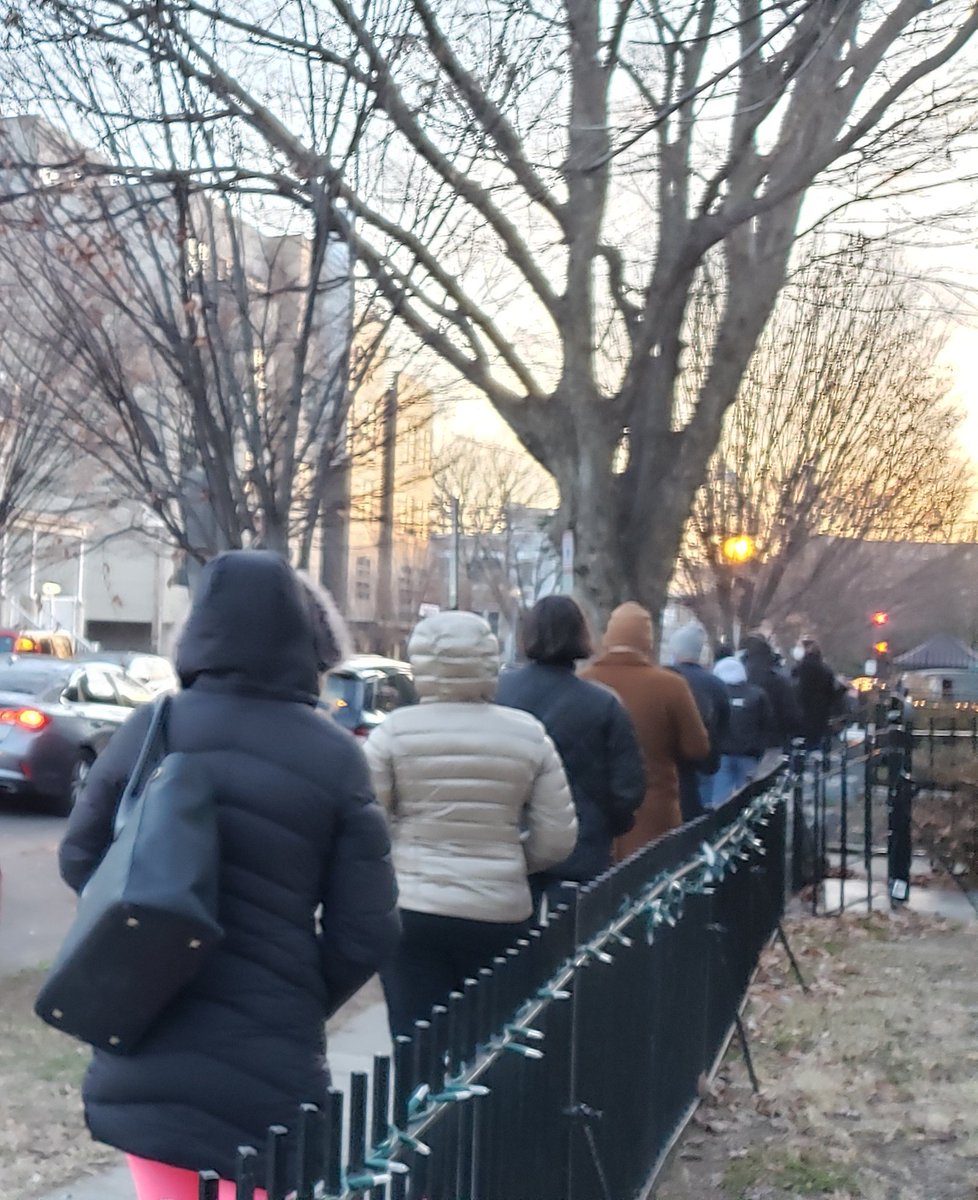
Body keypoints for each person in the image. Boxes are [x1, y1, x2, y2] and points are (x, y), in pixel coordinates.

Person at [58, 551, 400, 1200]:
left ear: (200, 630)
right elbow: (369, 933)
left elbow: (79, 856)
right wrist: (293, 993)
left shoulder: (151, 729)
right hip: (269, 1064)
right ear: (302, 637)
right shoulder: (334, 755)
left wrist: (140, 942)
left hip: (149, 1035)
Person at [364, 610, 577, 1038]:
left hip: (413, 908)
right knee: (490, 1043)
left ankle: (420, 1102)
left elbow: (368, 826)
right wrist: (509, 862)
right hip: (499, 909)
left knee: (415, 1039)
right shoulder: (528, 734)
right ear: (488, 662)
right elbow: (557, 838)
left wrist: (404, 859)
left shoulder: (393, 733)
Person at [496, 595, 645, 904]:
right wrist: (610, 825)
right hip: (582, 849)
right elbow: (628, 787)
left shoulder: (498, 694)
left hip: (508, 844)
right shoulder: (604, 704)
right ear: (581, 635)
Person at [581, 602, 710, 857]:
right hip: (656, 817)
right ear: (648, 640)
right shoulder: (671, 686)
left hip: (596, 817)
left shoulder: (584, 681)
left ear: (609, 636)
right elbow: (697, 748)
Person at [669, 621, 731, 817]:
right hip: (705, 762)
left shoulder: (665, 678)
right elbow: (724, 722)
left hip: (671, 761)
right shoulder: (716, 684)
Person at [710, 656, 776, 805]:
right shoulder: (757, 694)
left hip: (723, 755)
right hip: (749, 755)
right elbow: (767, 724)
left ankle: (722, 826)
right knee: (747, 800)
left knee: (721, 800)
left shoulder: (717, 694)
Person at [741, 632, 802, 751]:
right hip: (773, 742)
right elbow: (792, 715)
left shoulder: (741, 678)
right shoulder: (779, 680)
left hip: (742, 746)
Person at [793, 637, 844, 750]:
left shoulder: (798, 670)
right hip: (821, 717)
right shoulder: (826, 670)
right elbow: (833, 694)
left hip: (800, 717)